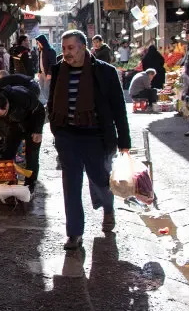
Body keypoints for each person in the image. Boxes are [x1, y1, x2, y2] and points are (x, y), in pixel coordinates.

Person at [48, 30, 131, 250]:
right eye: (64, 48)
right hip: (67, 136)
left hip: (95, 136)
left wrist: (124, 142)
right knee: (71, 185)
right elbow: (52, 101)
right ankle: (74, 233)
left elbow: (118, 108)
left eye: (71, 48)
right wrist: (56, 129)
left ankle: (108, 207)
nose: (66, 53)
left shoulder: (105, 72)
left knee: (100, 180)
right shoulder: (58, 70)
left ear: (83, 47)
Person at [0, 87, 46, 194]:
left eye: (0, 115)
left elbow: (40, 110)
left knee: (32, 156)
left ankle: (30, 184)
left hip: (32, 124)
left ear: (6, 106)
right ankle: (8, 179)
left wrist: (38, 131)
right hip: (14, 126)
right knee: (8, 151)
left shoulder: (22, 97)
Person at [36, 34, 57, 104]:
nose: (38, 44)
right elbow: (40, 62)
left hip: (47, 74)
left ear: (42, 42)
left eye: (39, 42)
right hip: (42, 73)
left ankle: (49, 103)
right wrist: (39, 71)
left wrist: (50, 73)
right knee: (41, 89)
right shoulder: (40, 51)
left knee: (47, 89)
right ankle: (45, 103)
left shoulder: (51, 51)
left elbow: (53, 63)